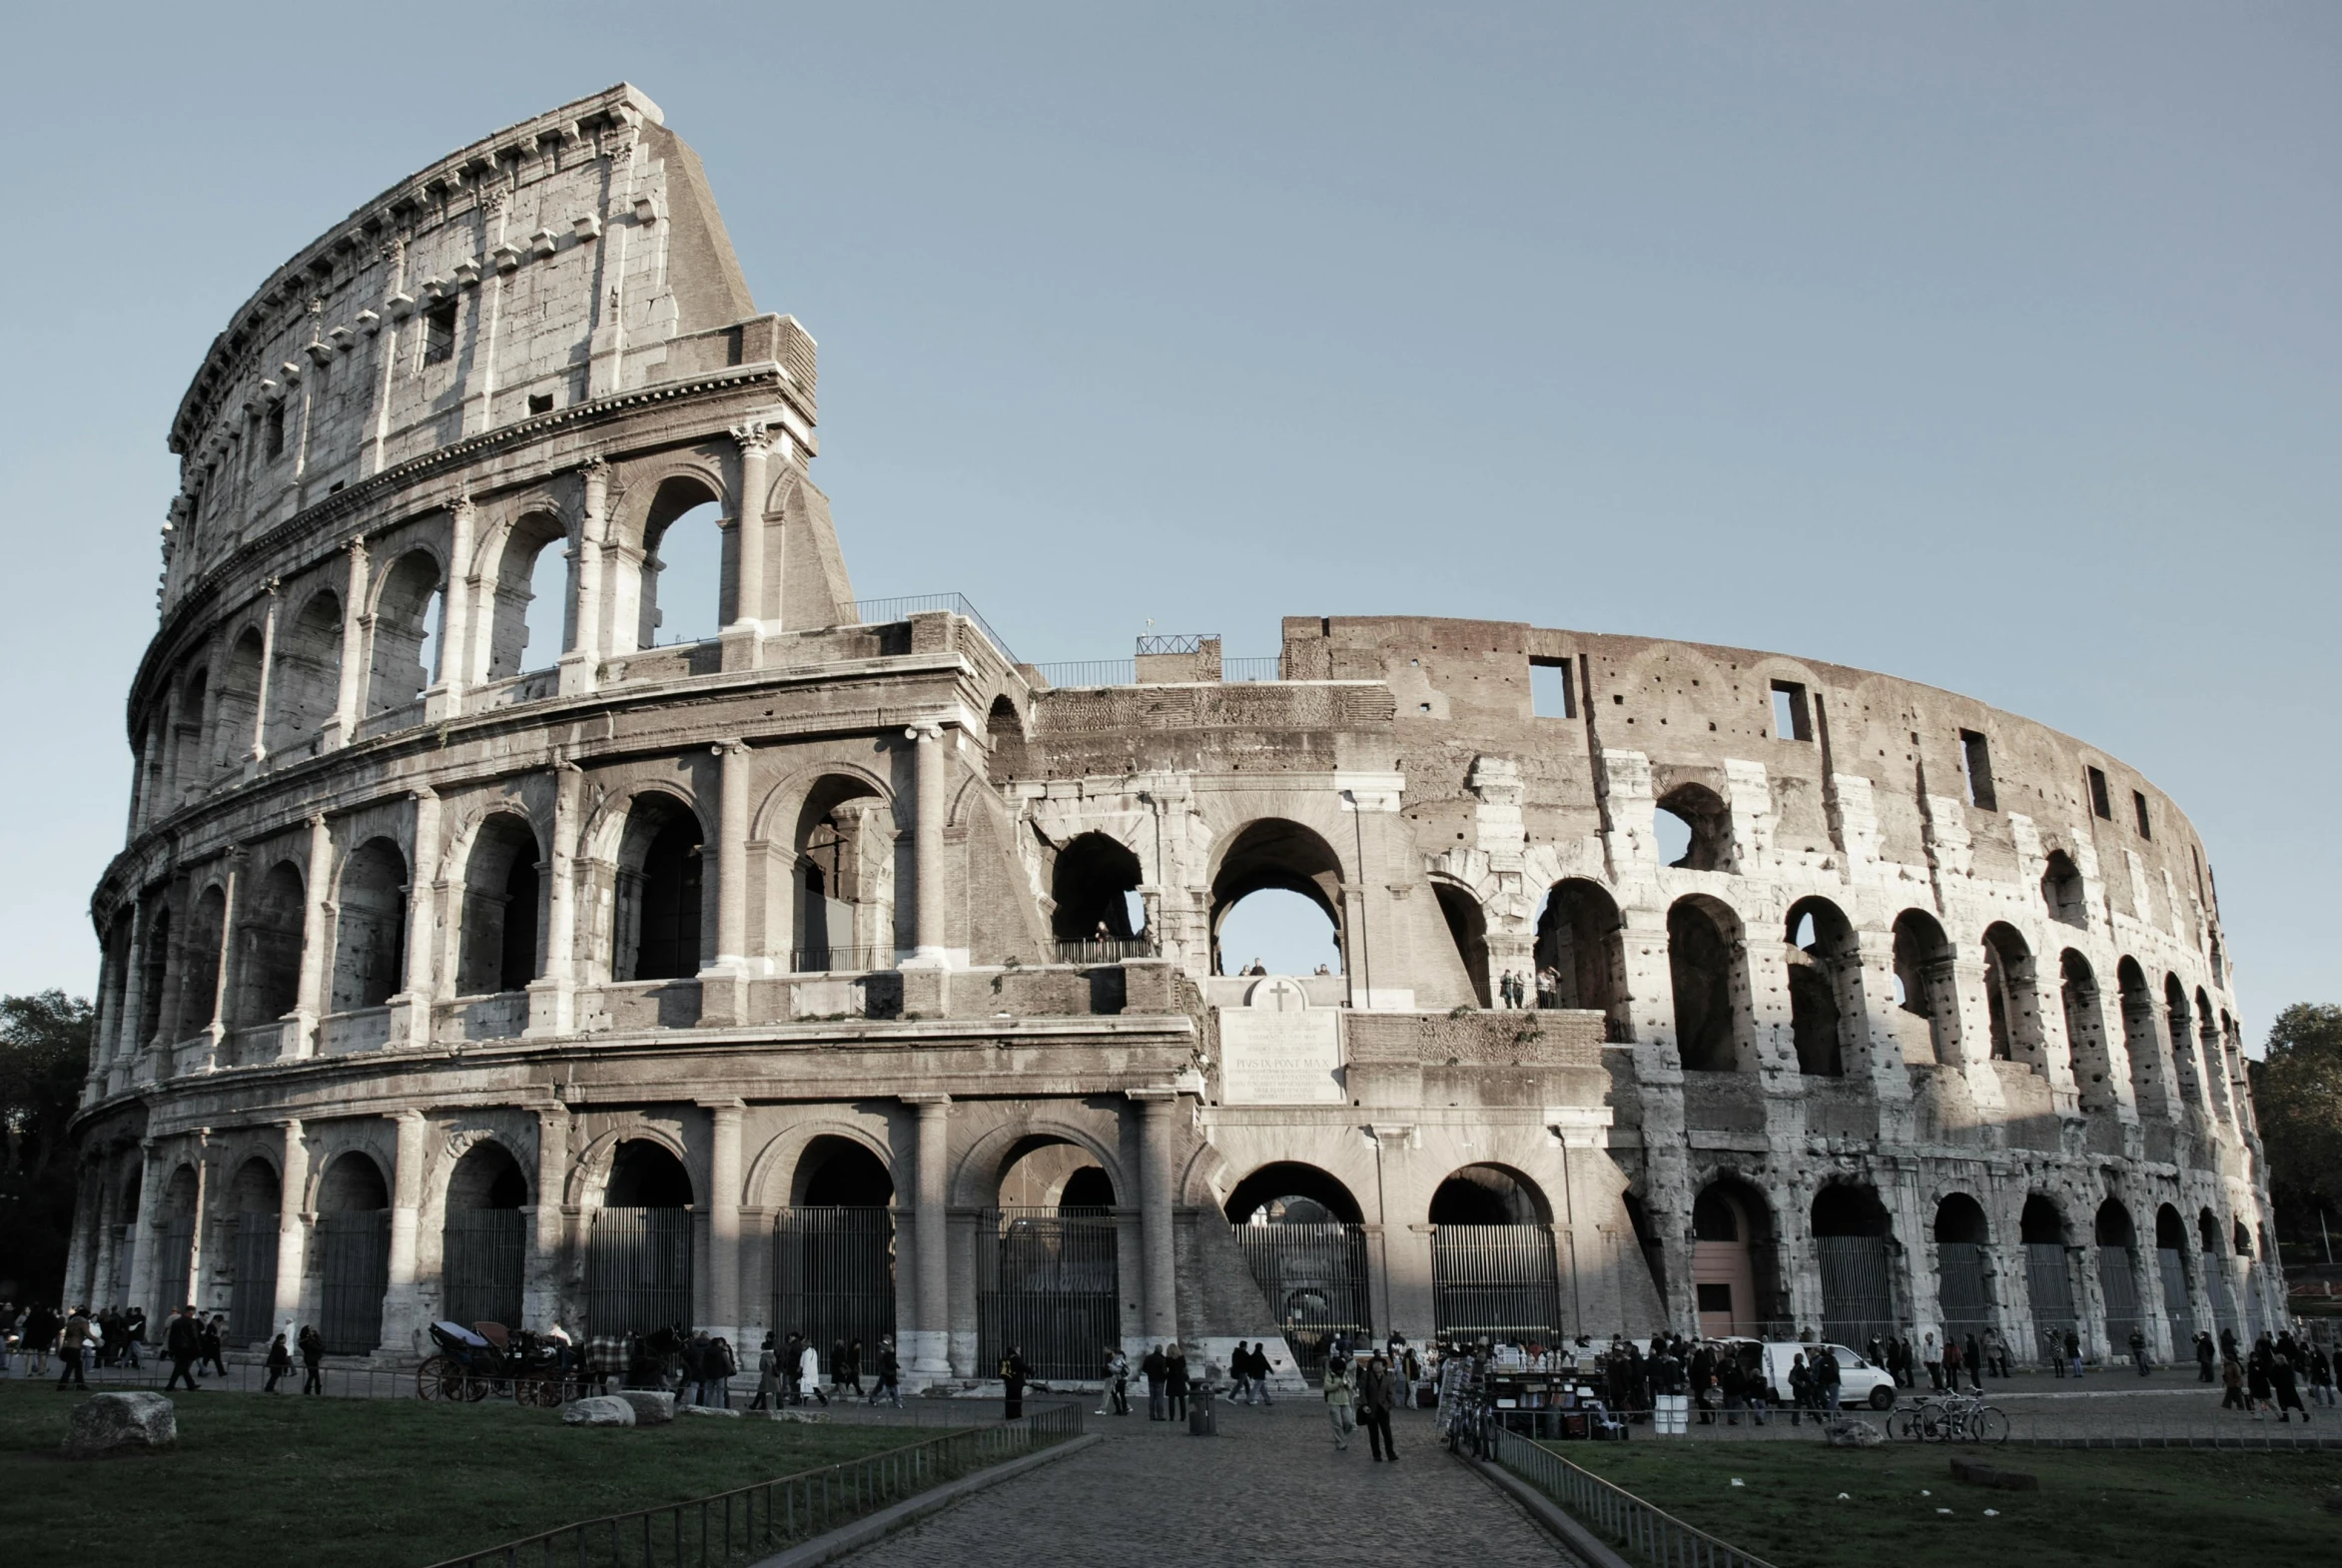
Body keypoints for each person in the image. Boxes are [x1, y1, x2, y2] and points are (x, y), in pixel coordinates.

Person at [1357, 1351, 1399, 1461]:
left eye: (1379, 1364)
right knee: (1373, 1434)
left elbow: (1390, 1393)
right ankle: (1377, 1454)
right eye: (1375, 1364)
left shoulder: (1387, 1378)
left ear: (1384, 1367)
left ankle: (1390, 1453)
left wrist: (1389, 1404)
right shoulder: (1367, 1376)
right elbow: (1362, 1391)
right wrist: (1364, 1404)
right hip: (1371, 1409)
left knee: (1387, 1433)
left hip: (1383, 1408)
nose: (1377, 1366)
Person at [165, 1304, 203, 1392]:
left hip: (177, 1347)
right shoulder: (192, 1322)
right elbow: (194, 1336)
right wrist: (198, 1348)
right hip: (188, 1348)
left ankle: (191, 1385)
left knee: (183, 1367)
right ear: (191, 1312)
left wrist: (171, 1348)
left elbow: (171, 1336)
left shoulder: (176, 1322)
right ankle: (170, 1386)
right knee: (179, 1368)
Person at [1322, 1353, 1357, 1450]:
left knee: (1348, 1422)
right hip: (1334, 1402)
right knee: (1337, 1424)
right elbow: (1327, 1387)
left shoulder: (1345, 1374)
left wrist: (1347, 1386)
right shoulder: (1329, 1375)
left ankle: (1341, 1436)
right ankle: (1340, 1444)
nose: (1341, 1371)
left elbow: (1350, 1385)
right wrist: (1338, 1384)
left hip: (1345, 1401)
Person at [55, 1305, 91, 1391]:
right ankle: (62, 1385)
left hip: (69, 1346)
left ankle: (80, 1384)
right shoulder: (82, 1322)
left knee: (78, 1365)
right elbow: (88, 1334)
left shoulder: (72, 1321)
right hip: (75, 1347)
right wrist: (97, 1340)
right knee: (70, 1367)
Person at [2271, 1347, 2309, 1423]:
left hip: (2288, 1388)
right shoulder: (2276, 1368)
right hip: (2280, 1388)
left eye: (2277, 1359)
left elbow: (2289, 1378)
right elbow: (2273, 1376)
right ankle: (2285, 1417)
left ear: (2281, 1360)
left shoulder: (2287, 1368)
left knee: (2297, 1403)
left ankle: (2305, 1415)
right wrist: (2275, 1383)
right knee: (2282, 1404)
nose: (2275, 1361)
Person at [872, 1337, 902, 1409]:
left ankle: (876, 1400)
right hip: (889, 1374)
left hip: (889, 1374)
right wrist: (896, 1366)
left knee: (888, 1390)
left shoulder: (888, 1355)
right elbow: (890, 1364)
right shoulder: (887, 1355)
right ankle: (898, 1403)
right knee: (894, 1389)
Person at [751, 1334, 779, 1410]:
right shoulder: (773, 1355)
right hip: (773, 1375)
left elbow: (762, 1367)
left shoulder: (764, 1356)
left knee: (762, 1390)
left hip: (767, 1375)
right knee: (770, 1391)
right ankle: (758, 1405)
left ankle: (762, 1405)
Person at [1143, 1343, 1170, 1420]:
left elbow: (1144, 1368)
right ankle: (1160, 1415)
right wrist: (1165, 1376)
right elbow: (1164, 1371)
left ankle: (1151, 1415)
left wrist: (1149, 1373)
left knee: (1152, 1398)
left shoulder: (1148, 1358)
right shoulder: (1163, 1359)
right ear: (1161, 1350)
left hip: (1151, 1379)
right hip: (1160, 1381)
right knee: (1159, 1399)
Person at [1001, 1345, 1030, 1419]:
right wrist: (1032, 1372)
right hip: (1017, 1383)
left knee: (1009, 1399)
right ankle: (1016, 1414)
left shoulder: (1006, 1359)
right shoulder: (1017, 1359)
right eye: (1019, 1350)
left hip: (1008, 1382)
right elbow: (1025, 1367)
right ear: (1015, 1351)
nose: (1020, 1352)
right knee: (1017, 1399)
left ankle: (1008, 1415)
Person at [1166, 1344, 1190, 1421]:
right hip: (1180, 1379)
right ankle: (1183, 1417)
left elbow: (1166, 1367)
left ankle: (1171, 1417)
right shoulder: (1182, 1358)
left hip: (1171, 1379)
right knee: (1182, 1399)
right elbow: (1184, 1366)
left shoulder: (1168, 1359)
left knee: (1171, 1399)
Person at [797, 1337, 825, 1406]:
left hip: (808, 1373)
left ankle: (803, 1401)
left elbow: (806, 1364)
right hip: (813, 1372)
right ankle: (803, 1401)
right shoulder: (813, 1351)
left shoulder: (807, 1353)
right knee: (810, 1387)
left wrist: (804, 1374)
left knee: (808, 1387)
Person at [299, 1324, 325, 1394]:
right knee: (313, 1374)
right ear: (307, 1333)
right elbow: (319, 1348)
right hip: (311, 1359)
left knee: (315, 1375)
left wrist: (316, 1337)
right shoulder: (307, 1342)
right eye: (311, 1331)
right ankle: (308, 1390)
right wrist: (316, 1340)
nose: (313, 1331)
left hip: (311, 1358)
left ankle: (315, 1390)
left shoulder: (309, 1340)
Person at [2219, 1347, 2246, 1412]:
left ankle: (2241, 1407)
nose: (2224, 1359)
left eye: (2225, 1358)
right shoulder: (2226, 1365)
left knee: (2238, 1396)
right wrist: (2224, 1382)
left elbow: (2238, 1375)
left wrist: (2235, 1382)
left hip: (2235, 1383)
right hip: (2230, 1383)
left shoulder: (2235, 1365)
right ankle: (2226, 1405)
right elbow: (2225, 1374)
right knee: (2229, 1394)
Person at [202, 1312, 228, 1378]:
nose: (220, 1323)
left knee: (216, 1360)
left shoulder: (216, 1326)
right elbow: (209, 1335)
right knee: (207, 1360)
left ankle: (221, 1372)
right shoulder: (210, 1326)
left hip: (214, 1346)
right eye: (220, 1321)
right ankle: (202, 1372)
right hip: (210, 1346)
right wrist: (217, 1337)